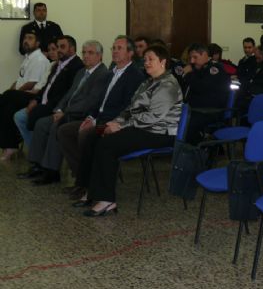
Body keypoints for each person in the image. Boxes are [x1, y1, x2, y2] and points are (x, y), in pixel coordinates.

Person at [80, 44, 182, 216]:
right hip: (142, 128)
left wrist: (121, 126)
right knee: (93, 136)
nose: (147, 63)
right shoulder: (148, 82)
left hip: (160, 133)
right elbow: (130, 109)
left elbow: (153, 117)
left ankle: (106, 200)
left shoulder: (168, 85)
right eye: (145, 60)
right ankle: (90, 190)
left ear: (163, 62)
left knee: (107, 145)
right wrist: (114, 122)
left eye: (151, 59)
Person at [58, 36, 145, 200]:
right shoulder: (111, 73)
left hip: (114, 122)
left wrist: (101, 122)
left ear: (130, 53)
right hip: (99, 118)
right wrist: (91, 117)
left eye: (119, 48)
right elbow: (99, 100)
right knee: (65, 131)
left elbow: (128, 107)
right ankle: (82, 178)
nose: (115, 52)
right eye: (113, 48)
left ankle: (88, 185)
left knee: (86, 135)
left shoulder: (135, 76)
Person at [22, 41, 110, 185]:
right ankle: (37, 165)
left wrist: (65, 113)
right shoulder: (81, 72)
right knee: (41, 123)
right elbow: (69, 94)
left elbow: (90, 102)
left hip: (82, 114)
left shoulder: (102, 74)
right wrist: (59, 109)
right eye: (84, 52)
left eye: (90, 53)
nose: (85, 56)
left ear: (100, 56)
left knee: (56, 125)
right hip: (67, 112)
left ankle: (52, 171)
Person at [0, 29, 51, 160]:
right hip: (21, 94)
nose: (26, 41)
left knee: (7, 98)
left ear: (38, 43)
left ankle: (10, 146)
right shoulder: (28, 58)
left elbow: (31, 83)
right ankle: (10, 145)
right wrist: (10, 91)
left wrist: (12, 93)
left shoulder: (39, 59)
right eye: (25, 38)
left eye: (30, 38)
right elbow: (19, 80)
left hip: (33, 95)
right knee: (7, 107)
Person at [180, 43, 231, 143]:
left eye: (195, 57)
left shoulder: (214, 69)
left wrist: (188, 75)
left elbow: (201, 87)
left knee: (188, 123)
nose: (192, 61)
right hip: (198, 109)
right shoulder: (199, 69)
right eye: (190, 58)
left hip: (211, 111)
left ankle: (194, 151)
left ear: (204, 55)